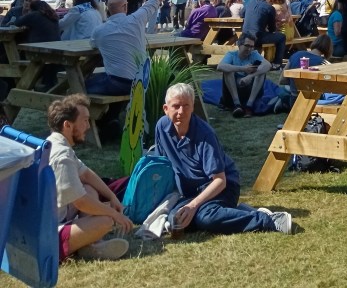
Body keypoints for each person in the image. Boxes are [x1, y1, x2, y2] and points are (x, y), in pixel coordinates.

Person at [155, 82, 291, 234]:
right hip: (191, 192)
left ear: (193, 107)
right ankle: (237, 212)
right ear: (166, 109)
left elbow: (220, 181)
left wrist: (193, 206)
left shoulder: (205, 134)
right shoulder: (161, 127)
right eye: (176, 106)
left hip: (222, 188)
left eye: (186, 106)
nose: (181, 111)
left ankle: (267, 220)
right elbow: (161, 166)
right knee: (175, 218)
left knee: (205, 218)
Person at [47, 94, 133, 261]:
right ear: (67, 125)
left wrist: (112, 197)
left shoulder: (55, 143)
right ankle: (89, 245)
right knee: (106, 220)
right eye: (85, 120)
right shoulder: (62, 156)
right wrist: (115, 215)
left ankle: (89, 244)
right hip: (49, 237)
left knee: (89, 188)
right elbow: (81, 202)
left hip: (56, 217)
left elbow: (86, 174)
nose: (88, 126)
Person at [87, 0, 179, 97]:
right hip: (142, 81)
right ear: (125, 6)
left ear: (108, 8)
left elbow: (93, 44)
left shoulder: (99, 31)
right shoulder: (137, 19)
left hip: (117, 83)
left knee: (82, 84)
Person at [217, 32, 271, 117]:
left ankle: (249, 106)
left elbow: (268, 65)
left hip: (249, 90)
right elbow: (220, 66)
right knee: (228, 70)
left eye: (251, 46)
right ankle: (237, 104)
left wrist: (249, 76)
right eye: (247, 46)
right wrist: (243, 69)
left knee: (261, 72)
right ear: (239, 45)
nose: (249, 49)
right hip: (232, 91)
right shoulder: (231, 55)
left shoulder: (254, 54)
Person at [242, 0, 286, 69]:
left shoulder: (249, 3)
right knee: (282, 37)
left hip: (245, 35)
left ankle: (255, 61)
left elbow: (241, 14)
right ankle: (277, 63)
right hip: (258, 36)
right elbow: (272, 29)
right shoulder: (269, 7)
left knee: (258, 38)